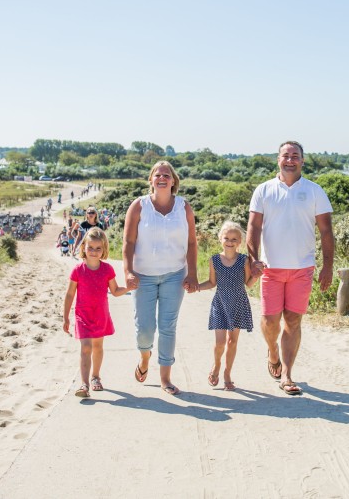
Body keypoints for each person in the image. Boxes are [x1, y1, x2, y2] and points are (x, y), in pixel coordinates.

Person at [247, 141, 335, 396]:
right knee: (270, 321)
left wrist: (327, 266)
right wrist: (253, 259)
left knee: (293, 320)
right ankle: (272, 351)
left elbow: (326, 231)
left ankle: (287, 374)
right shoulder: (263, 190)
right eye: (286, 155)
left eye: (295, 156)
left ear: (302, 161)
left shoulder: (314, 191)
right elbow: (253, 227)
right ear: (278, 159)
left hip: (302, 268)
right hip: (270, 269)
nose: (290, 160)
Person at [122, 161, 199, 396]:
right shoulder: (139, 206)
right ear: (151, 180)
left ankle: (165, 378)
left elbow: (191, 242)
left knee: (168, 327)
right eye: (158, 175)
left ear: (173, 181)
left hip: (174, 275)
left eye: (167, 174)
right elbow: (128, 242)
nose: (162, 178)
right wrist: (128, 271)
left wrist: (193, 273)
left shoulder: (184, 207)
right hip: (143, 276)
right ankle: (145, 358)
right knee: (145, 329)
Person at [63, 227, 133, 398]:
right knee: (86, 347)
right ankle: (84, 384)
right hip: (82, 315)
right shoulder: (78, 270)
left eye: (98, 248)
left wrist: (128, 288)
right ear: (83, 248)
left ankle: (96, 377)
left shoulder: (107, 269)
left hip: (100, 314)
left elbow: (115, 291)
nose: (94, 252)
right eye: (90, 247)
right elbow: (70, 294)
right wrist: (65, 317)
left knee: (98, 347)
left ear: (104, 250)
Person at [198, 221, 258, 391]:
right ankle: (216, 365)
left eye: (234, 239)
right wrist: (196, 287)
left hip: (239, 302)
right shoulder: (214, 260)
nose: (230, 241)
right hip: (220, 303)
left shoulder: (244, 260)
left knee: (232, 342)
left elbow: (249, 283)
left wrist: (258, 275)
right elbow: (211, 282)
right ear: (220, 239)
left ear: (240, 242)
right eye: (227, 238)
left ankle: (227, 374)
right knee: (220, 343)